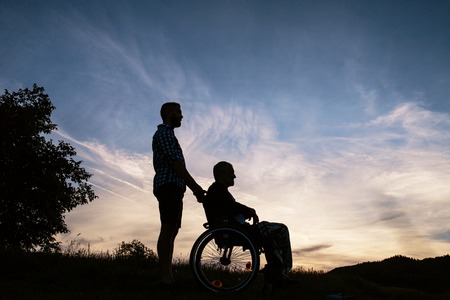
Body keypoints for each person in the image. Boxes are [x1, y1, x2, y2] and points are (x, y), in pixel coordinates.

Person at [202, 161, 295, 287]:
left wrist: (246, 212)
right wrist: (249, 210)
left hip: (237, 229)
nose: (234, 176)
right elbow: (231, 207)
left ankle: (278, 273)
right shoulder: (217, 190)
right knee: (281, 230)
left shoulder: (219, 191)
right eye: (232, 173)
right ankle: (281, 272)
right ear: (222, 174)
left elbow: (230, 209)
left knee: (271, 238)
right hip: (236, 231)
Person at [152, 102, 205, 285]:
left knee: (172, 229)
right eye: (178, 112)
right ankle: (164, 276)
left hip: (174, 186)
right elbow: (176, 164)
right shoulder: (164, 133)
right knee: (168, 228)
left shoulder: (169, 134)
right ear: (168, 114)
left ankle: (168, 276)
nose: (181, 116)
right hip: (168, 185)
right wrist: (195, 187)